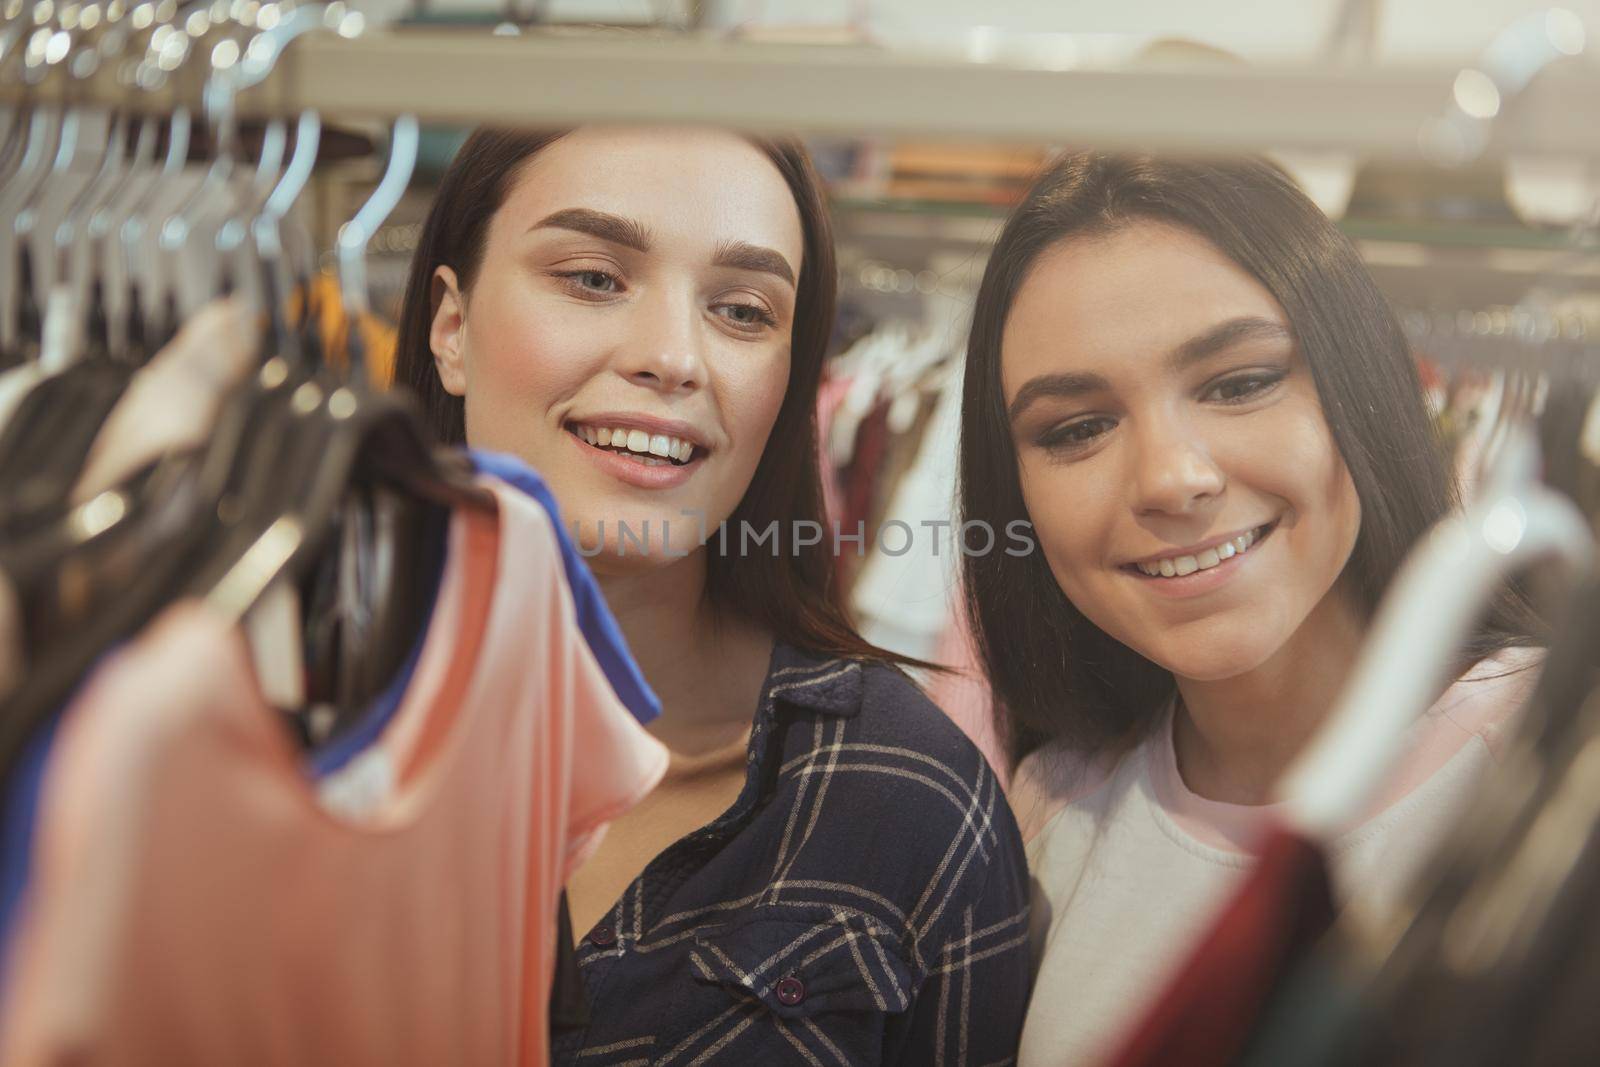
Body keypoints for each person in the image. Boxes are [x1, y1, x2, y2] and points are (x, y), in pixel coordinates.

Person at [392, 126, 1029, 1066]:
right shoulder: (259, 712)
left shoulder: (904, 805)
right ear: (452, 328)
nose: (672, 358)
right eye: (593, 278)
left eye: (740, 310)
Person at [955, 151, 1541, 1067]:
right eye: (1076, 429)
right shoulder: (1047, 810)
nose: (1170, 478)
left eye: (1239, 383)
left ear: (1358, 385)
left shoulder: (1551, 767)